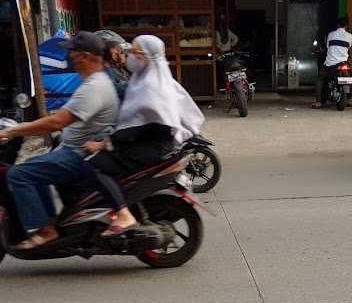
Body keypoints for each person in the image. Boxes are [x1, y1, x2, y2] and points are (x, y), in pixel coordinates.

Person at [1, 31, 119, 249]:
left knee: (18, 174)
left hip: (79, 155)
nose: (69, 56)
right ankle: (51, 222)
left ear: (84, 56)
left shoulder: (94, 87)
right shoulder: (92, 82)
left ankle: (46, 229)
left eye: (73, 52)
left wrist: (14, 131)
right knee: (32, 169)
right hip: (75, 150)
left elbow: (57, 122)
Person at [84, 34, 204, 236]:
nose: (129, 55)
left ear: (146, 56)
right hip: (152, 145)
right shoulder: (149, 78)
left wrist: (105, 143)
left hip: (146, 149)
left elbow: (139, 128)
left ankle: (123, 214)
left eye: (134, 52)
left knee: (92, 166)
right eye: (129, 51)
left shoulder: (150, 85)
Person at [312, 17, 352, 108]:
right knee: (349, 77)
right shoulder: (349, 36)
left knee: (320, 79)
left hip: (330, 63)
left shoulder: (331, 34)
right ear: (347, 26)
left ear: (337, 25)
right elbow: (348, 47)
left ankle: (318, 101)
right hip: (343, 63)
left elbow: (327, 47)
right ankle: (349, 99)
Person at [95, 30, 130, 102]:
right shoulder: (106, 73)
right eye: (121, 51)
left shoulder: (118, 69)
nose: (125, 55)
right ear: (111, 52)